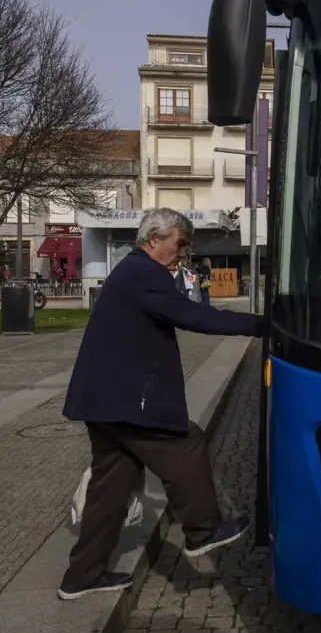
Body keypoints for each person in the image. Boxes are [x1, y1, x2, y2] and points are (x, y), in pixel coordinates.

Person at [57, 208, 264, 600]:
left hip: (103, 400)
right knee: (186, 443)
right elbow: (191, 316)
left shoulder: (135, 272)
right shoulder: (143, 273)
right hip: (124, 401)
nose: (182, 251)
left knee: (111, 488)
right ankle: (203, 530)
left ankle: (81, 576)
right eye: (179, 242)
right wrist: (257, 325)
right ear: (155, 238)